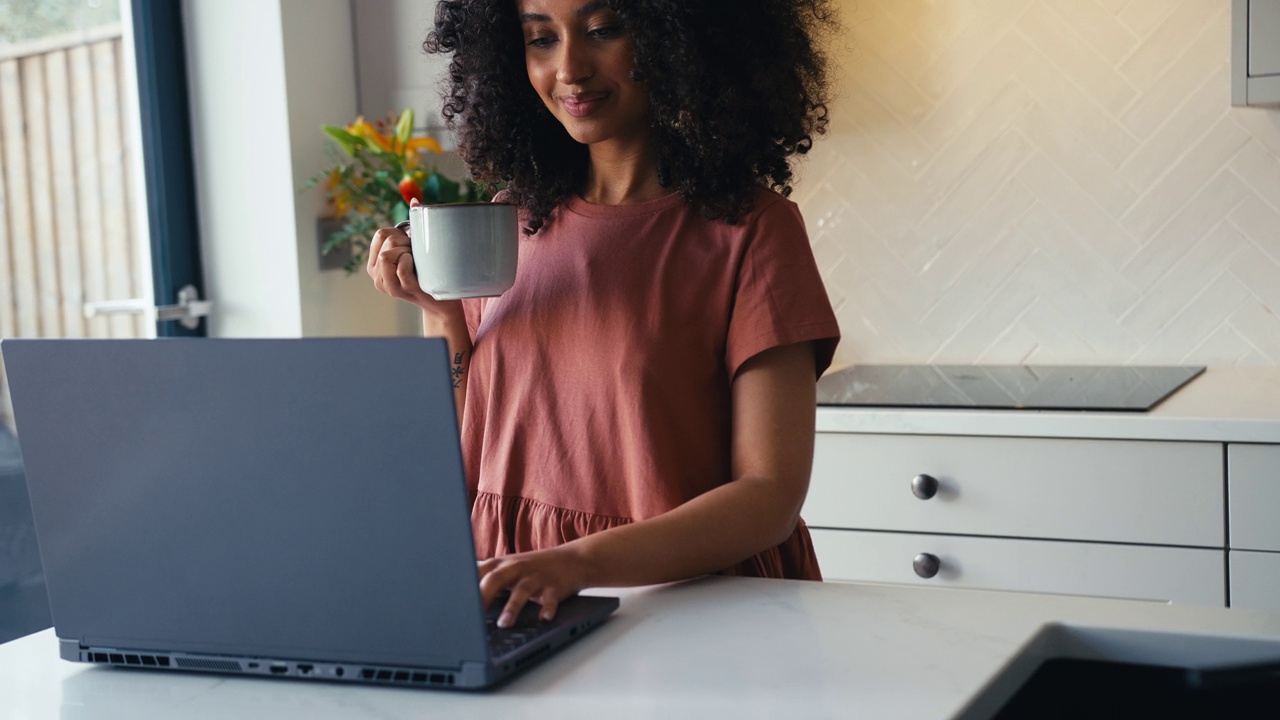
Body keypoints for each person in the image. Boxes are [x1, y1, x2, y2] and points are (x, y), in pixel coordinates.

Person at [366, 0, 841, 629]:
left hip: (686, 605)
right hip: (515, 589)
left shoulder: (751, 232)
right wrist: (441, 312)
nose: (569, 67)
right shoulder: (509, 222)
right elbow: (467, 454)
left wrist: (577, 563)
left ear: (680, 42)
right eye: (539, 39)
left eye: (603, 31)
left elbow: (769, 497)